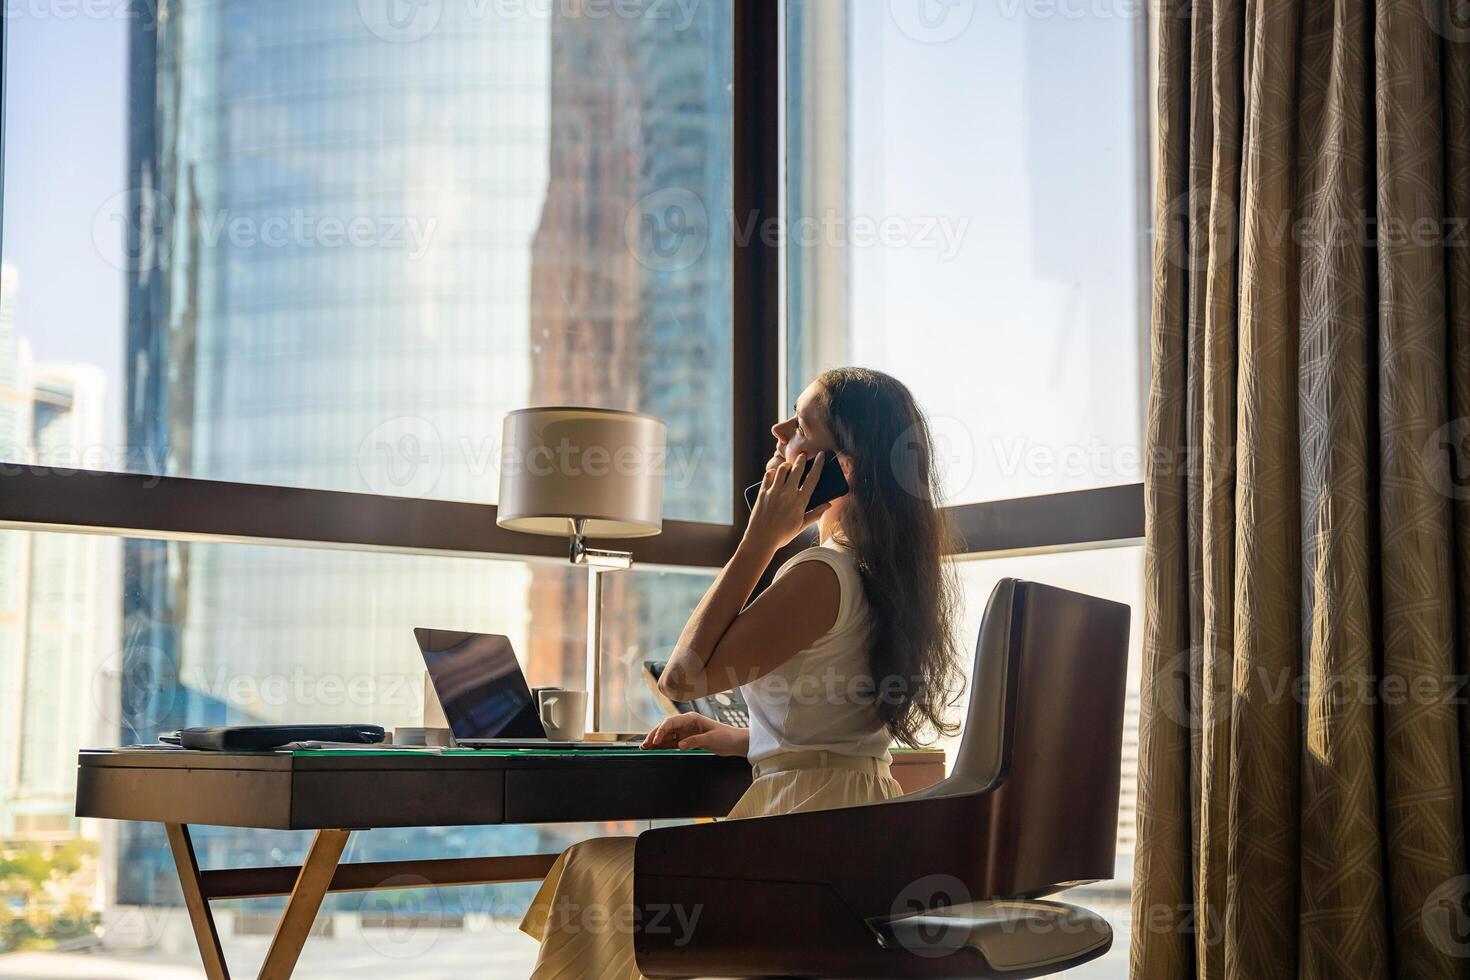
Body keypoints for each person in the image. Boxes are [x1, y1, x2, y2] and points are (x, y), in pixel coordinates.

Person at [519, 367, 965, 979]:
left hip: (801, 841)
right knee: (611, 869)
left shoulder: (821, 573)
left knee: (594, 867)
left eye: (803, 424)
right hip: (856, 829)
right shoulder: (882, 573)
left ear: (845, 467)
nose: (780, 429)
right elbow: (841, 726)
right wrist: (741, 737)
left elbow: (681, 677)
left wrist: (760, 540)